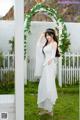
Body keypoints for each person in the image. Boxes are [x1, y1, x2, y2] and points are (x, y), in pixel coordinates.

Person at [34, 28, 60, 116]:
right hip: (45, 66)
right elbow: (38, 46)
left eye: (49, 35)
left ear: (52, 35)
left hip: (50, 66)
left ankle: (50, 109)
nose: (47, 37)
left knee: (49, 86)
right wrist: (41, 36)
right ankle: (45, 109)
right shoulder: (46, 43)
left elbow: (53, 55)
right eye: (46, 36)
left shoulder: (54, 43)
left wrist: (49, 60)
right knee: (43, 85)